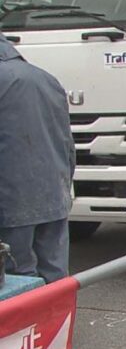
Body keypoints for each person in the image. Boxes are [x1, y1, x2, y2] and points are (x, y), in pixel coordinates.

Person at [0, 31, 75, 284]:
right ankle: (58, 324)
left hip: (10, 203)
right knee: (56, 279)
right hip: (54, 198)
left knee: (17, 281)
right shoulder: (46, 79)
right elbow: (67, 146)